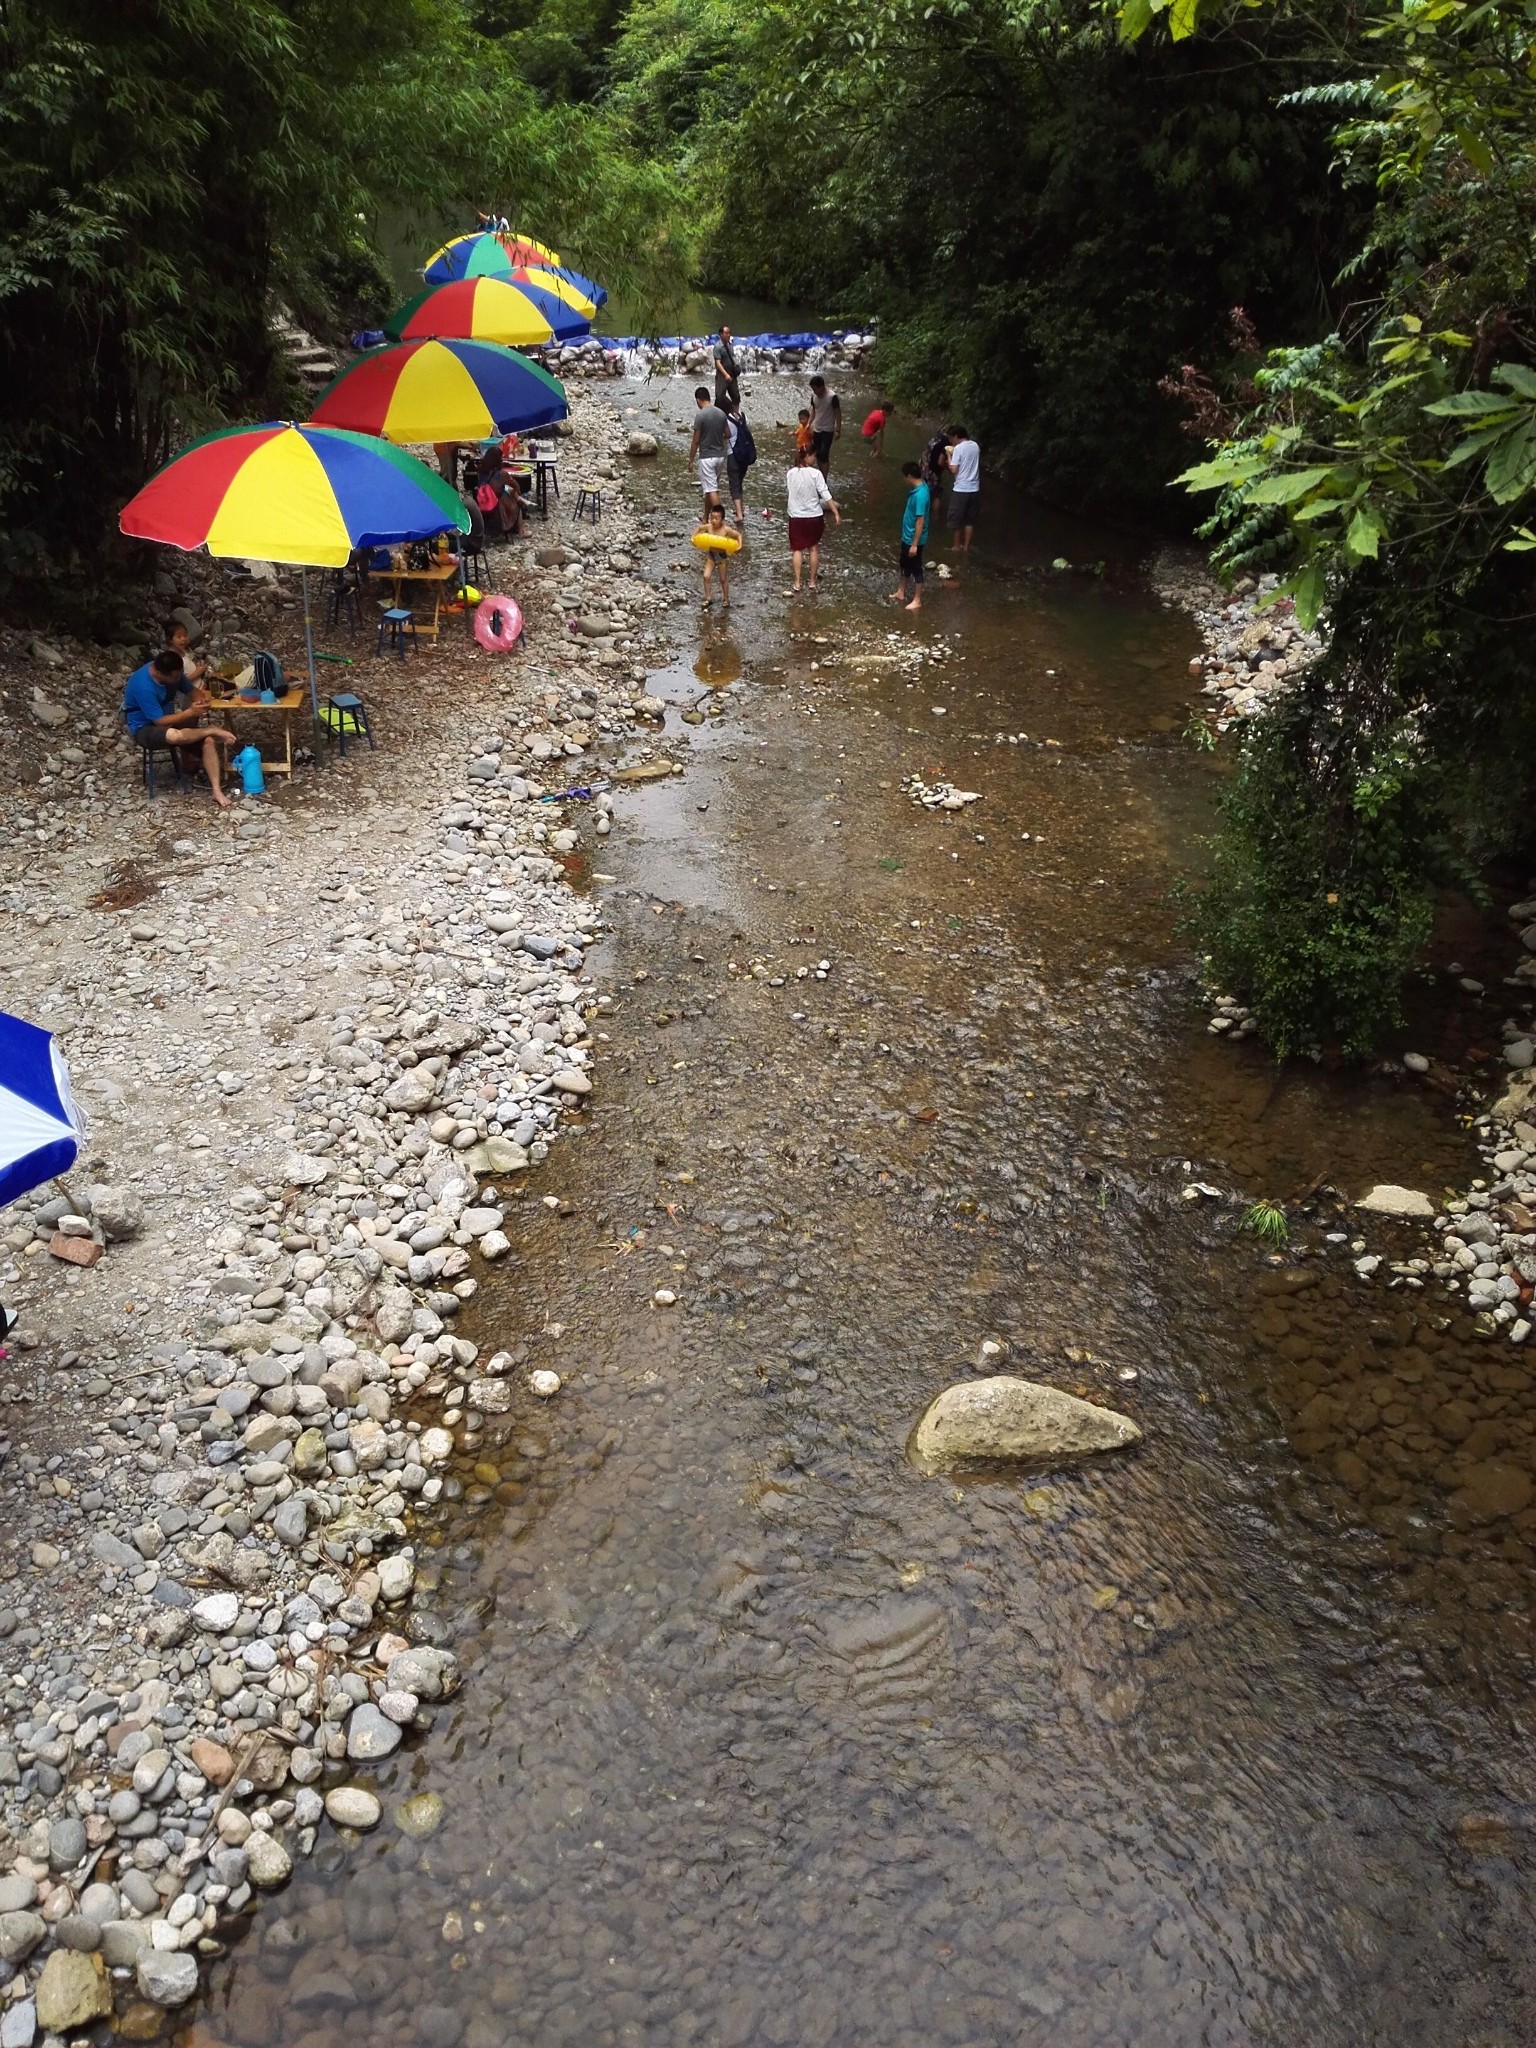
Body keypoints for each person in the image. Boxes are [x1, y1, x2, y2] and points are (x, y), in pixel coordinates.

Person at [122, 649, 237, 808]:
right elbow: (160, 721)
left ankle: (216, 791)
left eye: (179, 676)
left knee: (208, 742)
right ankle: (211, 729)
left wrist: (200, 701)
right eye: (175, 677)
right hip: (145, 727)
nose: (178, 679)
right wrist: (190, 712)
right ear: (161, 673)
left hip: (170, 722)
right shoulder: (143, 686)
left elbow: (191, 691)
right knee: (175, 735)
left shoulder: (174, 674)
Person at [786, 444, 840, 595]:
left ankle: (797, 583)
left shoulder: (790, 473)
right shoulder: (816, 474)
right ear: (807, 456)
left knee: (797, 549)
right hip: (814, 516)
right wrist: (835, 512)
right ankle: (812, 581)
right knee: (813, 548)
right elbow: (825, 494)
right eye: (814, 456)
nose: (815, 459)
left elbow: (792, 492)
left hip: (796, 516)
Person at [891, 459, 930, 611]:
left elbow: (920, 520)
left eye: (904, 477)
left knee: (916, 567)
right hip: (907, 536)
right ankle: (901, 592)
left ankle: (917, 599)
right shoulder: (921, 487)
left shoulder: (920, 495)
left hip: (914, 539)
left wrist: (915, 544)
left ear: (909, 476)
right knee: (904, 563)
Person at [688, 385, 728, 510]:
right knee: (710, 489)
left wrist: (691, 460)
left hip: (707, 458)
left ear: (698, 400)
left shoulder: (700, 415)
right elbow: (728, 434)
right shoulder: (721, 413)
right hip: (720, 457)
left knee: (711, 490)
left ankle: (720, 519)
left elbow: (696, 441)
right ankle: (706, 517)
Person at [695, 502, 735, 610]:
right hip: (711, 555)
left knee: (722, 579)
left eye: (716, 518)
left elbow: (738, 535)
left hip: (722, 557)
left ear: (722, 519)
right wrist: (693, 538)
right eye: (711, 518)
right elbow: (699, 529)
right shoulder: (708, 527)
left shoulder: (726, 530)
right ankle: (708, 598)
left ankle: (726, 598)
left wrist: (739, 546)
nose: (713, 520)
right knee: (706, 576)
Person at [947, 424, 980, 551]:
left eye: (951, 438)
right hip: (974, 488)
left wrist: (949, 456)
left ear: (956, 436)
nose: (950, 441)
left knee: (955, 519)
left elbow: (954, 469)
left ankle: (956, 547)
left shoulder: (958, 448)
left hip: (961, 488)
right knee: (969, 521)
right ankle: (966, 547)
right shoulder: (975, 446)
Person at [725, 406, 757, 531]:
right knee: (740, 482)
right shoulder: (743, 416)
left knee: (734, 485)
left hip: (733, 455)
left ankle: (739, 515)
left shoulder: (726, 420)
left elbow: (725, 435)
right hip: (745, 454)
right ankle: (740, 510)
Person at [808, 374, 841, 475]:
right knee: (817, 454)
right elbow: (814, 410)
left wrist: (838, 430)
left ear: (821, 387)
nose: (814, 391)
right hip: (817, 429)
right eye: (812, 389)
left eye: (815, 389)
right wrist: (809, 423)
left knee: (824, 454)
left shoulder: (832, 397)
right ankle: (820, 475)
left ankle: (824, 477)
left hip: (828, 430)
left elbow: (837, 413)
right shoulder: (814, 396)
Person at [161, 617, 207, 687]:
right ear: (170, 640)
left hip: (201, 686)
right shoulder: (171, 659)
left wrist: (197, 665)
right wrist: (197, 673)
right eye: (179, 637)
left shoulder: (183, 650)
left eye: (185, 635)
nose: (183, 639)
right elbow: (177, 683)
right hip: (192, 693)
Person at [713, 325, 740, 410]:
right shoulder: (717, 347)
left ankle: (736, 415)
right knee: (720, 397)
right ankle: (719, 416)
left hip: (732, 374)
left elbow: (732, 357)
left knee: (736, 397)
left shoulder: (730, 345)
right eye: (726, 333)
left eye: (729, 333)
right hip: (722, 375)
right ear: (721, 334)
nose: (728, 335)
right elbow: (718, 363)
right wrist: (725, 374)